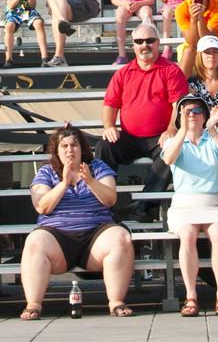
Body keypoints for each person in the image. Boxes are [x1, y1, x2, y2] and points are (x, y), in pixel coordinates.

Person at [18, 126, 136, 320]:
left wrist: (90, 181)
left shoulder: (97, 168)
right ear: (56, 151)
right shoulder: (47, 172)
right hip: (57, 236)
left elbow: (110, 199)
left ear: (82, 149)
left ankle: (116, 301)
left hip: (96, 234)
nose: (69, 150)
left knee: (120, 237)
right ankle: (33, 304)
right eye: (64, 146)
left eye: (74, 145)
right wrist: (63, 184)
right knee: (35, 241)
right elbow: (42, 207)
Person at [160, 96, 218, 316]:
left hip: (213, 201)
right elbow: (168, 159)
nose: (191, 114)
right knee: (187, 235)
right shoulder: (173, 140)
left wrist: (212, 129)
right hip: (185, 203)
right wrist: (182, 130)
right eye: (186, 111)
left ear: (204, 115)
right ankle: (191, 296)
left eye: (196, 110)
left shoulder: (212, 140)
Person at [100, 26, 189, 174]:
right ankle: (106, 192)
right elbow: (110, 105)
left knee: (172, 146)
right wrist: (109, 126)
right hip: (129, 138)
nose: (144, 45)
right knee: (104, 146)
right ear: (133, 44)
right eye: (139, 41)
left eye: (150, 40)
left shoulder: (172, 71)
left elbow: (179, 106)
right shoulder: (122, 73)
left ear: (158, 43)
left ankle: (147, 197)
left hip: (161, 137)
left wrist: (171, 129)